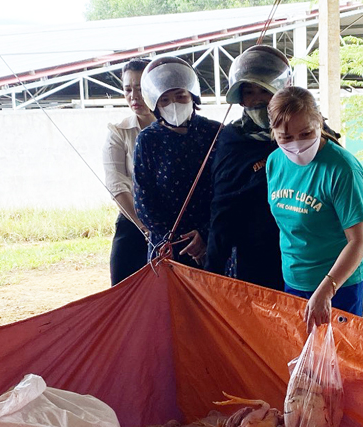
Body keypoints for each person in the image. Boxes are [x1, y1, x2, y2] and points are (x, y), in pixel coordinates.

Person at [265, 87, 363, 332]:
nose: (297, 145)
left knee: (339, 360)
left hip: (339, 285)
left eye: (306, 133)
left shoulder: (342, 168)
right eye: (286, 138)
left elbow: (358, 242)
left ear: (320, 123)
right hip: (294, 278)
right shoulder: (274, 162)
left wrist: (327, 289)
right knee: (304, 358)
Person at [206, 45, 290, 290]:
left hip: (306, 252)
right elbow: (223, 206)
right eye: (249, 92)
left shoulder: (308, 132)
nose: (257, 100)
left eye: (264, 90)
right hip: (255, 254)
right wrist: (213, 270)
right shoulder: (232, 140)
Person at [133, 57, 221, 266]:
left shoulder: (215, 132)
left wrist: (205, 235)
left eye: (180, 96)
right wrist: (177, 239)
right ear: (155, 104)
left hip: (212, 243)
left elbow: (226, 191)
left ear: (192, 96)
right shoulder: (147, 140)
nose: (173, 104)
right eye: (164, 99)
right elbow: (144, 202)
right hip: (167, 247)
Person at [103, 58, 154, 285]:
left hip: (177, 225)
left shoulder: (179, 128)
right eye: (127, 89)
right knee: (123, 293)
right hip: (133, 222)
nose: (134, 96)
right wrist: (144, 227)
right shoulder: (118, 131)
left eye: (141, 88)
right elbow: (117, 185)